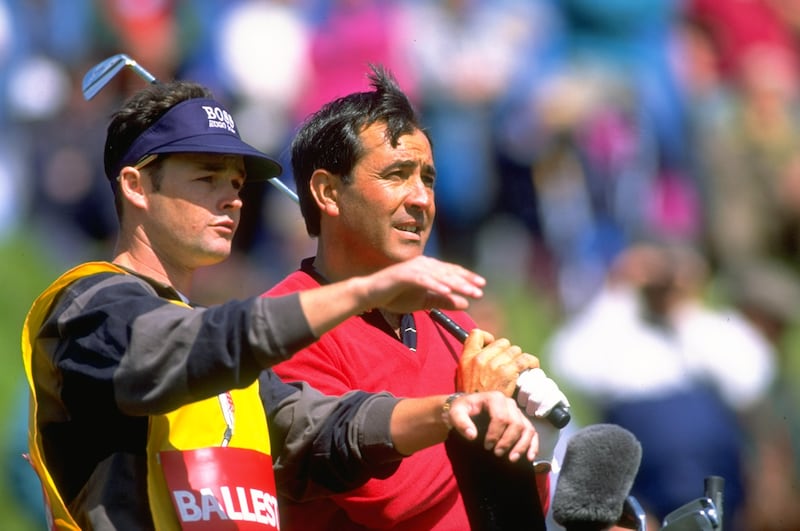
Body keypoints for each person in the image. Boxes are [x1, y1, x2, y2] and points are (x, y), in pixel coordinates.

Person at [20, 79, 542, 530]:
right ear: (135, 186)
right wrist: (366, 289)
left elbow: (328, 432)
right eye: (207, 177)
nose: (233, 198)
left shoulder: (224, 356)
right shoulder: (90, 303)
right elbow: (189, 347)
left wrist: (455, 411)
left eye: (237, 182)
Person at [265, 65, 564, 530]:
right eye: (397, 175)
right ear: (327, 192)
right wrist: (476, 407)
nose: (421, 198)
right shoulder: (286, 324)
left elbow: (518, 504)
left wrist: (530, 431)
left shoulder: (453, 322)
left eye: (427, 178)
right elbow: (387, 498)